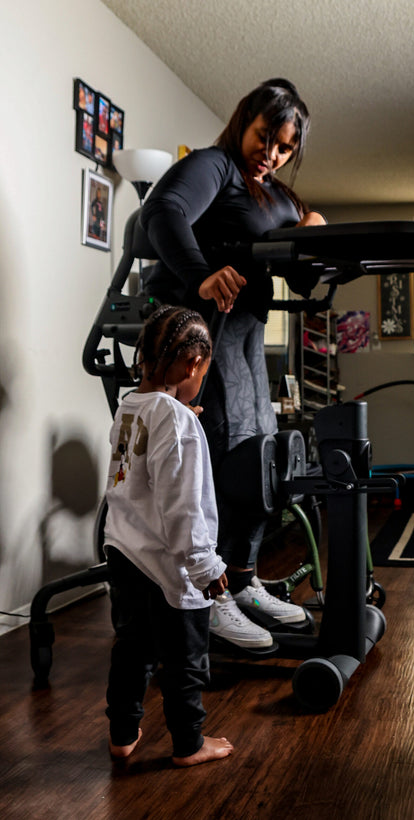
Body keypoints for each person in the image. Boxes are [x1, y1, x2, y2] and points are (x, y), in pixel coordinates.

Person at [140, 78, 326, 650]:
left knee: (261, 461)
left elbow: (302, 272)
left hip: (246, 332)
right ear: (244, 121)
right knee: (219, 455)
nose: (271, 153)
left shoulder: (281, 200)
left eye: (285, 146)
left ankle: (242, 583)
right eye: (265, 136)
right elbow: (163, 212)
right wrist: (200, 274)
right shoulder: (214, 167)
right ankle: (210, 594)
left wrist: (312, 229)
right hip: (200, 330)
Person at [103, 305, 234, 767]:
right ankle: (189, 744)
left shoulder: (131, 406)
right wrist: (205, 565)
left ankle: (122, 733)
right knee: (185, 660)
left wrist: (180, 417)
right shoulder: (180, 422)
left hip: (123, 549)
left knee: (132, 648)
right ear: (194, 364)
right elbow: (183, 504)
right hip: (166, 562)